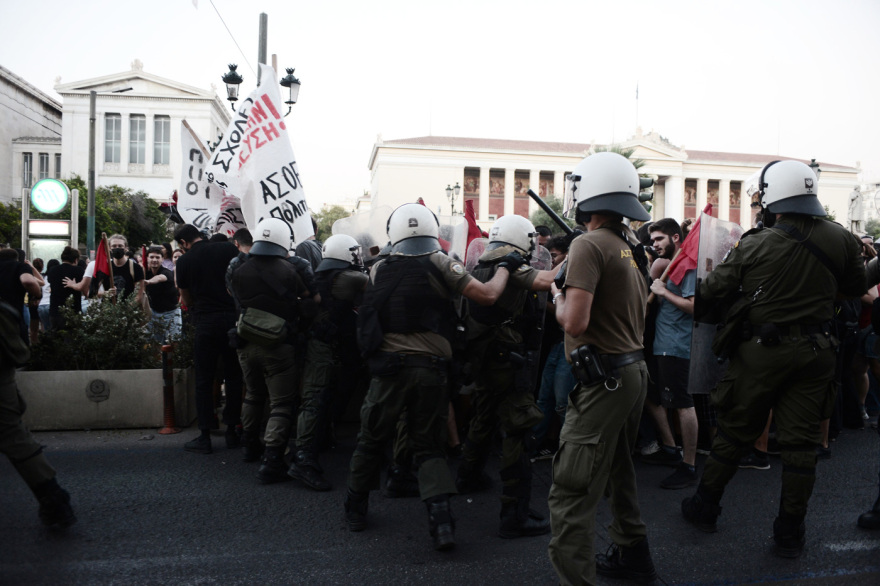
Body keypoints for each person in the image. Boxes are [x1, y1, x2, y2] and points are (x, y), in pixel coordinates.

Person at [681, 160, 866, 558]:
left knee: (735, 433)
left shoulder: (756, 242)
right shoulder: (841, 238)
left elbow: (712, 291)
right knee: (801, 447)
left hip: (762, 354)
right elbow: (854, 288)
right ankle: (790, 532)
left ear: (772, 197)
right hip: (818, 351)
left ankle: (705, 506)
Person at [344, 203, 518, 552]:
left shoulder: (378, 269)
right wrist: (504, 267)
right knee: (429, 446)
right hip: (430, 370)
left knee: (371, 439)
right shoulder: (441, 262)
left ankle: (355, 509)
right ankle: (441, 523)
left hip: (388, 370)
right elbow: (487, 296)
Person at [548, 152, 657, 585]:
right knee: (618, 469)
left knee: (571, 491)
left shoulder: (588, 244)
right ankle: (634, 554)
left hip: (604, 380)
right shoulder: (629, 244)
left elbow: (574, 322)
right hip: (631, 372)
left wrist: (558, 297)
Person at [455, 214, 556, 539]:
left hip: (484, 358)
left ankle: (467, 476)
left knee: (484, 416)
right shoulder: (510, 264)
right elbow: (546, 280)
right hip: (506, 358)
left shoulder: (482, 262)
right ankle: (515, 514)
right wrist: (580, 254)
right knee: (519, 427)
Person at [229, 219, 309, 483]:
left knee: (253, 394)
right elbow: (310, 298)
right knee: (281, 403)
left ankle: (249, 445)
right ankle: (272, 460)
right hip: (278, 345)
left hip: (245, 341)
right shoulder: (289, 270)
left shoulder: (238, 269)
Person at [0, 250, 75, 528]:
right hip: (5, 346)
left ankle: (53, 499)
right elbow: (32, 283)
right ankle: (53, 498)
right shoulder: (16, 268)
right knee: (11, 429)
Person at [290, 234, 367, 491]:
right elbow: (378, 285)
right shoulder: (351, 277)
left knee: (323, 396)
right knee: (314, 400)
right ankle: (303, 458)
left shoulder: (322, 276)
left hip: (320, 344)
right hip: (326, 347)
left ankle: (319, 441)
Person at [174, 224, 244, 454]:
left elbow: (186, 299)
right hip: (231, 320)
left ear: (183, 243)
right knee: (234, 376)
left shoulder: (184, 261)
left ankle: (204, 436)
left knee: (204, 379)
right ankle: (232, 430)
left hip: (205, 321)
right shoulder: (227, 249)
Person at [645, 218, 699, 489]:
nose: (654, 245)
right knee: (675, 402)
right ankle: (677, 455)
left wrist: (663, 292)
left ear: (675, 237)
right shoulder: (674, 263)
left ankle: (688, 466)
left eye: (659, 239)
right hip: (665, 344)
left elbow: (693, 306)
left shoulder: (686, 265)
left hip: (676, 345)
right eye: (652, 240)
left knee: (683, 405)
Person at [143, 246, 181, 343]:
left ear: (162, 259)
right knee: (156, 343)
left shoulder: (166, 272)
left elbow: (160, 278)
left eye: (157, 257)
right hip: (154, 313)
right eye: (152, 257)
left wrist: (149, 282)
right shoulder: (145, 273)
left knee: (175, 341)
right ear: (147, 258)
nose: (154, 260)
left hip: (172, 313)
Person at [46, 247, 84, 331]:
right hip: (73, 311)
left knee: (56, 337)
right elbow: (84, 287)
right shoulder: (79, 271)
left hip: (55, 312)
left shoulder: (53, 270)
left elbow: (50, 281)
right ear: (76, 260)